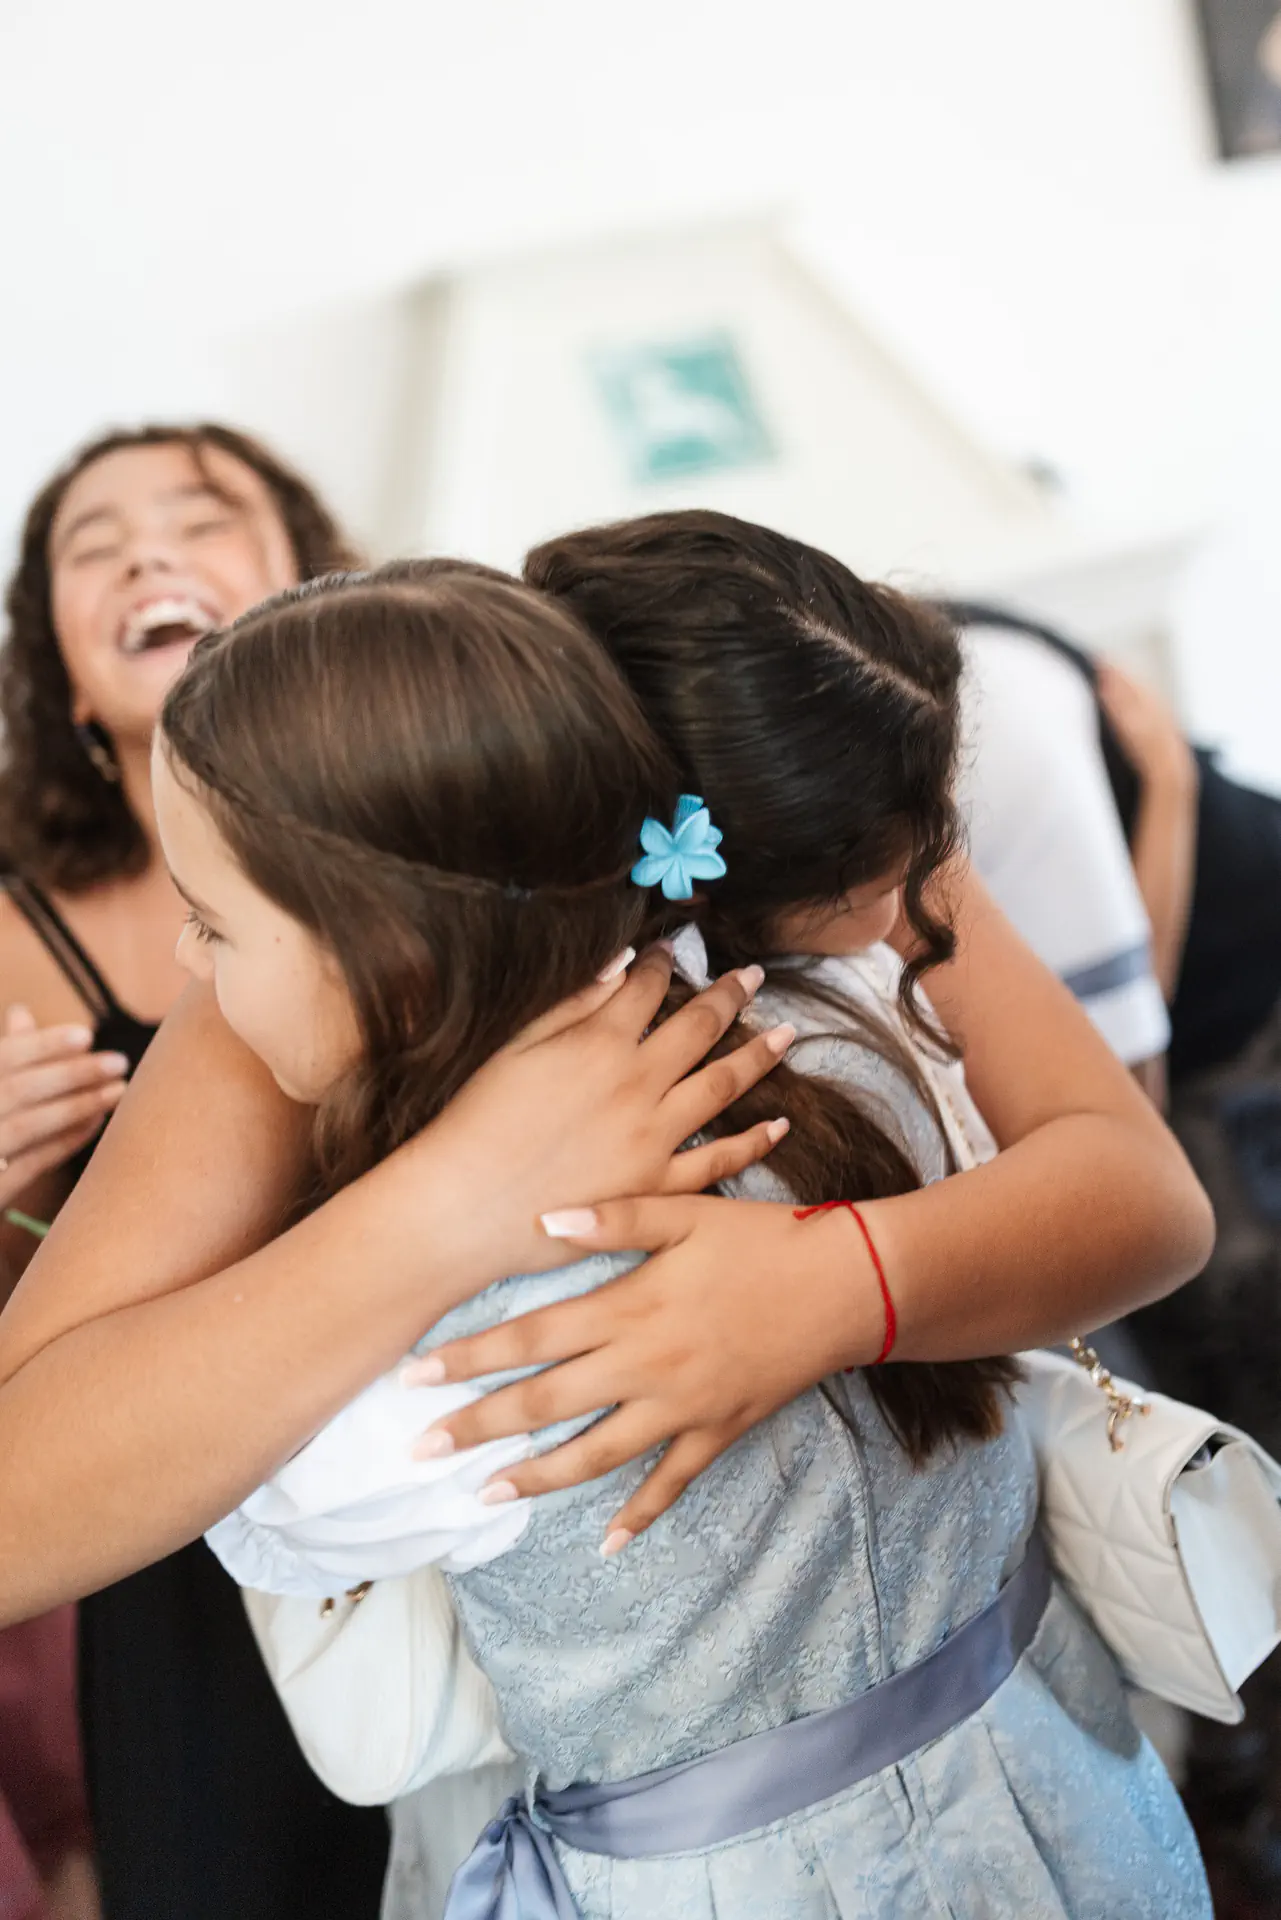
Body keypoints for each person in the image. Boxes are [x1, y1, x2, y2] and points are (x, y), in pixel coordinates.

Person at [167, 539, 1211, 1915]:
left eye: (211, 927)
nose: (188, 965)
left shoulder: (425, 1358)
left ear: (387, 952)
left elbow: (252, 1503)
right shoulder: (866, 1036)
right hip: (1065, 1788)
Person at [0, 423, 392, 1919]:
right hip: (177, 1563)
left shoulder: (438, 824)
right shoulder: (7, 928)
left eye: (200, 517)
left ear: (313, 577)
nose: (148, 554)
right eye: (93, 547)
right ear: (60, 669)